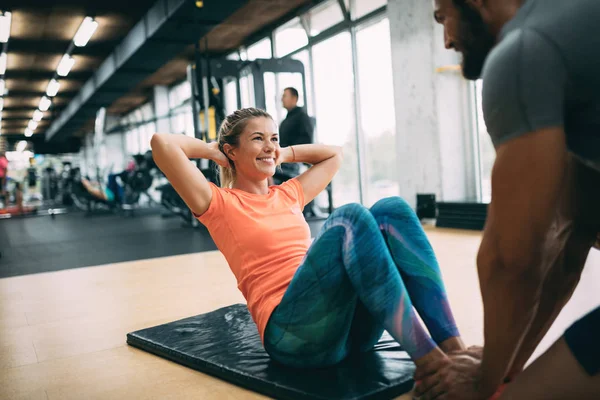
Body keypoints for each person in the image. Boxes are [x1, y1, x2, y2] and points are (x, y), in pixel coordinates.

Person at [151, 107, 467, 372]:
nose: (268, 145)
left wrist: (281, 153)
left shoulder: (289, 194)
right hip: (292, 336)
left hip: (345, 332)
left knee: (391, 209)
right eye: (257, 138)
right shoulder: (218, 203)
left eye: (273, 137)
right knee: (350, 218)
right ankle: (432, 364)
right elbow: (162, 144)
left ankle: (455, 349)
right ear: (231, 150)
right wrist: (212, 151)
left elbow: (335, 156)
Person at [414, 0, 600, 399]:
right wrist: (500, 368)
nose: (447, 40)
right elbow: (570, 244)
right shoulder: (573, 31)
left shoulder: (522, 52)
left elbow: (511, 261)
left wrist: (484, 385)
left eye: (443, 17)